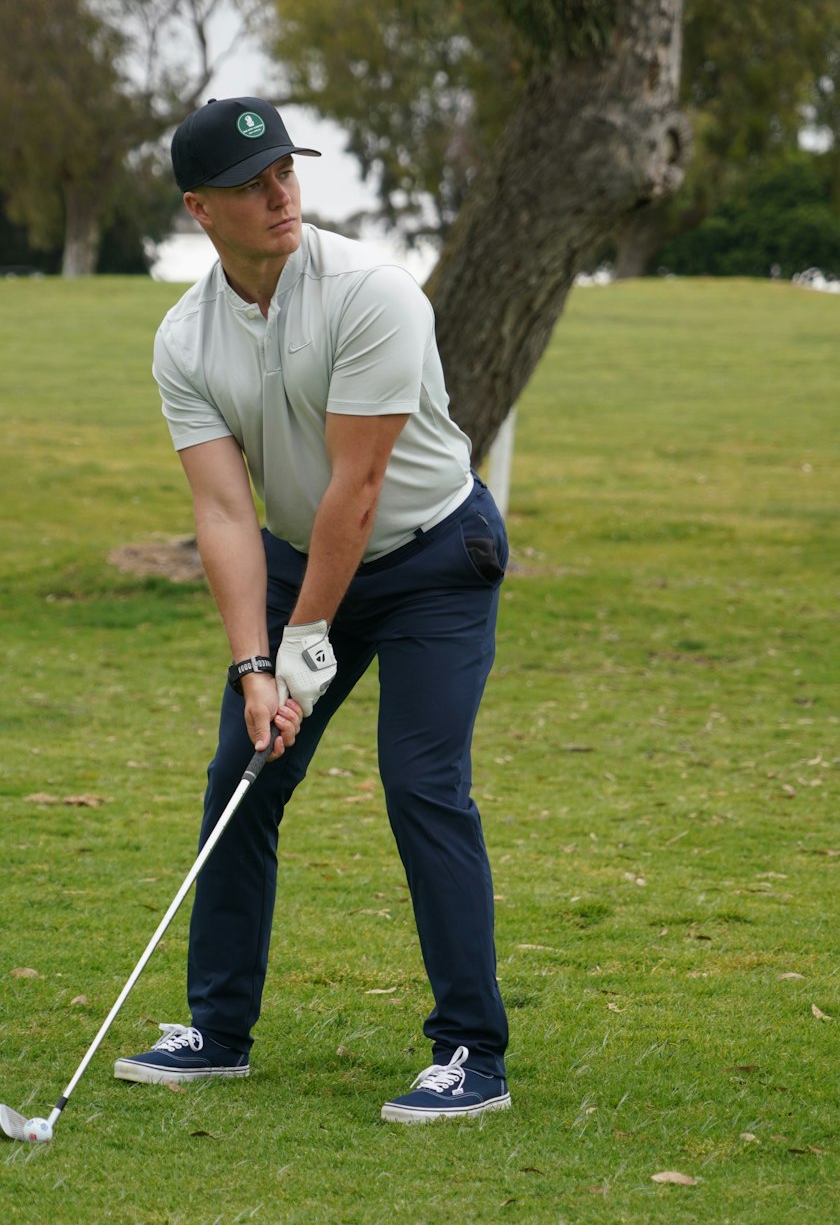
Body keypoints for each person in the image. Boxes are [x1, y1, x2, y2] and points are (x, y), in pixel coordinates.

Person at [114, 96, 512, 1122]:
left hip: (433, 553)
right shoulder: (184, 336)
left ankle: (470, 1048)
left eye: (286, 170)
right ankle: (217, 1029)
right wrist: (257, 667)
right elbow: (222, 508)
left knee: (420, 780)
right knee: (243, 774)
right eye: (252, 184)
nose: (279, 194)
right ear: (200, 207)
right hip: (300, 562)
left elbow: (359, 485)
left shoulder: (373, 290)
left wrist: (302, 645)